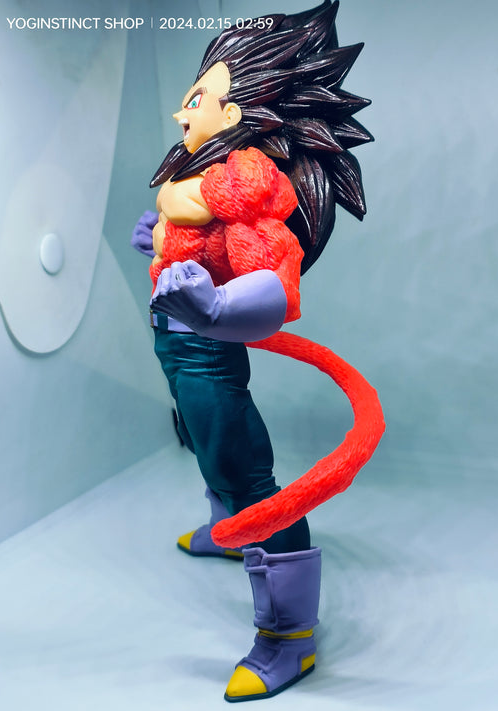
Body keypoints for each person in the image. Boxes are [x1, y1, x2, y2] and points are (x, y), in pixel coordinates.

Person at [132, 2, 383, 701]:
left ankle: (288, 637)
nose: (182, 113)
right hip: (175, 346)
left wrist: (213, 309)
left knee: (249, 477)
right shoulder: (200, 178)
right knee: (202, 440)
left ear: (235, 113)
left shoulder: (243, 189)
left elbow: (273, 284)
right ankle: (226, 526)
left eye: (196, 101)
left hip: (205, 350)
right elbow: (192, 242)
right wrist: (157, 243)